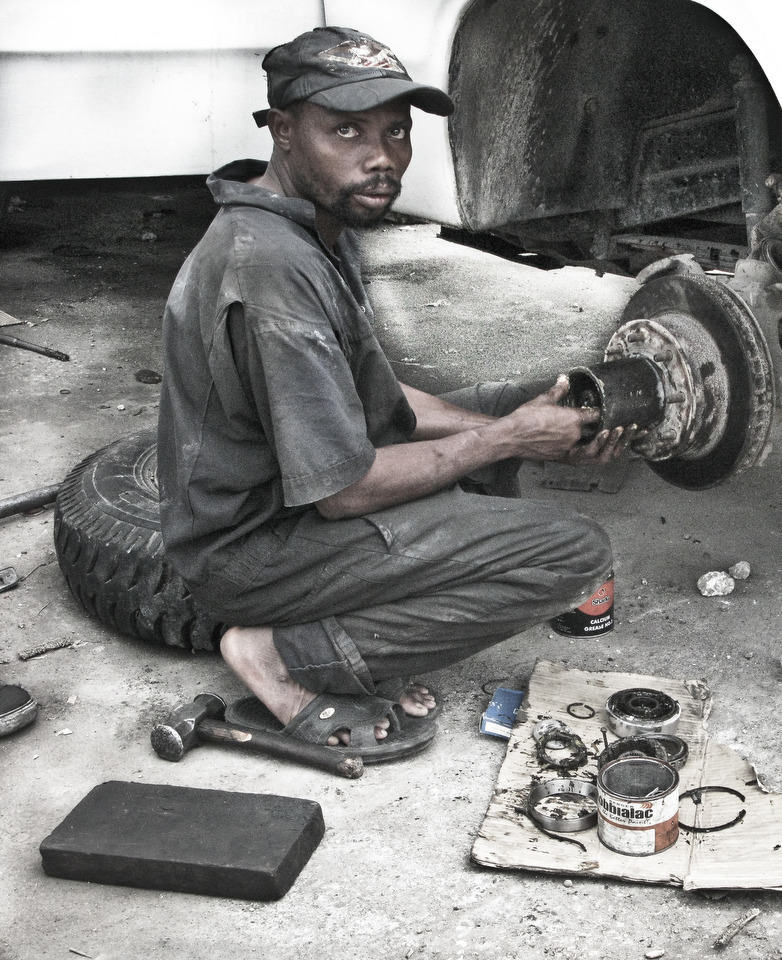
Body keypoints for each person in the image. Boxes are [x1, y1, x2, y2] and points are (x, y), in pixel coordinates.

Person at [156, 26, 637, 762]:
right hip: (254, 550)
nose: (381, 158)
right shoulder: (270, 270)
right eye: (345, 130)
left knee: (520, 398)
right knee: (574, 553)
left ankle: (447, 533)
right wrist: (505, 440)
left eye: (395, 130)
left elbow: (378, 397)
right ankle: (286, 655)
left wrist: (516, 422)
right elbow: (343, 492)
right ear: (283, 132)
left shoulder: (315, 221)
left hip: (286, 501)